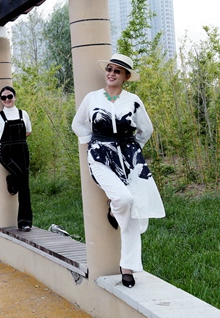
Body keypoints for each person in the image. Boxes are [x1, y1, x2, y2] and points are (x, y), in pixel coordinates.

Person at [71, 53, 165, 288]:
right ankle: (115, 208)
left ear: (126, 77)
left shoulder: (133, 100)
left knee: (132, 209)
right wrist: (91, 143)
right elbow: (78, 123)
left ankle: (127, 267)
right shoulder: (92, 98)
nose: (111, 74)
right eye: (109, 69)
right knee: (124, 199)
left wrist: (132, 148)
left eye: (117, 71)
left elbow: (146, 129)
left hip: (129, 158)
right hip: (100, 156)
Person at [0, 86, 33, 232]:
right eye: (4, 98)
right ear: (1, 100)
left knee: (24, 185)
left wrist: (18, 141)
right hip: (6, 153)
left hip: (22, 152)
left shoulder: (23, 114)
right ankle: (12, 181)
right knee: (22, 178)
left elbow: (28, 131)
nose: (7, 99)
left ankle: (25, 222)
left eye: (9, 96)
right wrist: (1, 142)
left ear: (15, 97)